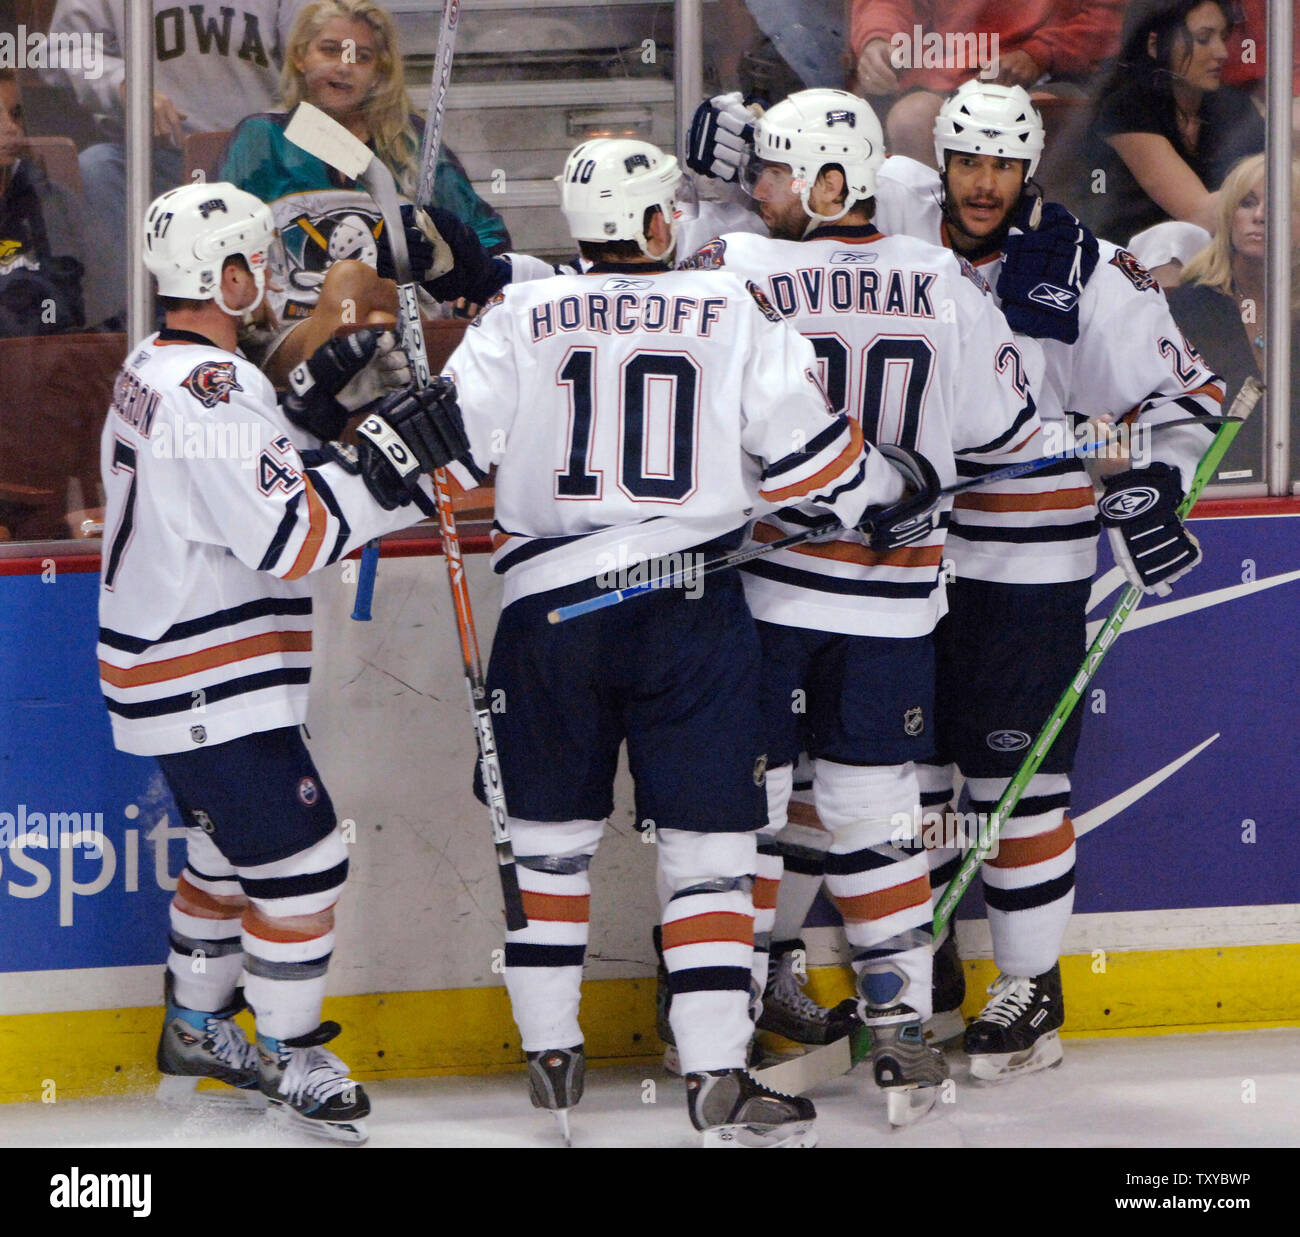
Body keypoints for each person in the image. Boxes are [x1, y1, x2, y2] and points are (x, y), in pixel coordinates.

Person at [438, 136, 929, 1147]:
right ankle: (713, 1072)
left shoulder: (518, 315)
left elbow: (436, 467)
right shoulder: (728, 309)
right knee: (708, 856)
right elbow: (816, 467)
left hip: (547, 619)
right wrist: (891, 491)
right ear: (662, 222)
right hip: (686, 608)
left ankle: (551, 1053)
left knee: (546, 844)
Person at [684, 87, 1051, 1124]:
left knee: (745, 812)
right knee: (875, 809)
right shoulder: (939, 279)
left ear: (828, 180)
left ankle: (743, 1007)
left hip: (760, 592)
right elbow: (1006, 431)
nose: (756, 193)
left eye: (771, 175)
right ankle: (896, 1024)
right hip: (890, 602)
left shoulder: (739, 273)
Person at [97, 180, 468, 1143]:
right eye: (255, 264)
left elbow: (249, 475)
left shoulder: (169, 363)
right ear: (221, 277)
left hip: (175, 661)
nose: (269, 280)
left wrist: (304, 415)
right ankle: (294, 1051)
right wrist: (391, 468)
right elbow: (291, 538)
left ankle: (196, 1024)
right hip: (206, 674)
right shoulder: (211, 393)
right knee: (301, 866)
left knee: (227, 852)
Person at [867, 80, 1224, 1079]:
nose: (982, 185)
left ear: (1029, 170)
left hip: (1026, 566)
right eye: (966, 162)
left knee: (1013, 787)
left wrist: (1143, 477)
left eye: (1002, 166)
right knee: (908, 783)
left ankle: (1030, 990)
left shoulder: (1084, 268)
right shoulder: (890, 236)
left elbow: (1185, 401)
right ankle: (925, 960)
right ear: (941, 162)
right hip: (903, 560)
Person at [221, 0, 510, 385]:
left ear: (379, 73)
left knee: (367, 304)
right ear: (300, 57)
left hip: (402, 317)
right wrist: (247, 275)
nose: (344, 66)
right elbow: (214, 233)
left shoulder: (412, 145)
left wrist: (471, 279)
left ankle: (315, 423)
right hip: (291, 324)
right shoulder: (262, 139)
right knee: (356, 294)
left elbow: (487, 237)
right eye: (329, 50)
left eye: (362, 56)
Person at [48, 0, 304, 329]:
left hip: (253, 161)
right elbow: (63, 50)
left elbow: (316, 48)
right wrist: (123, 83)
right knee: (97, 168)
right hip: (150, 159)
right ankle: (132, 336)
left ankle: (274, 327)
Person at [849, 1, 1125, 167]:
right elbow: (887, 5)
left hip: (1058, 74)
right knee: (912, 119)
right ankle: (930, 253)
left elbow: (1110, 18)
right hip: (946, 69)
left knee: (1022, 122)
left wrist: (1039, 54)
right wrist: (878, 39)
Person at [1080, 0, 1264, 243]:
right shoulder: (1126, 108)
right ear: (1155, 45)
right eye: (1203, 38)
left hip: (1216, 255)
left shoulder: (1233, 105)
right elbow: (1197, 213)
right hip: (1133, 262)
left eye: (1223, 36)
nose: (1222, 52)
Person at [1167, 153, 1300, 482]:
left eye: (1280, 205)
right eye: (1247, 203)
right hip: (1211, 501)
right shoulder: (1183, 309)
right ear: (1228, 217)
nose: (1259, 216)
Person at [0, 68, 85, 337]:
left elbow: (69, 307)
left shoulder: (51, 200)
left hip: (44, 361)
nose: (11, 129)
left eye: (15, 115)